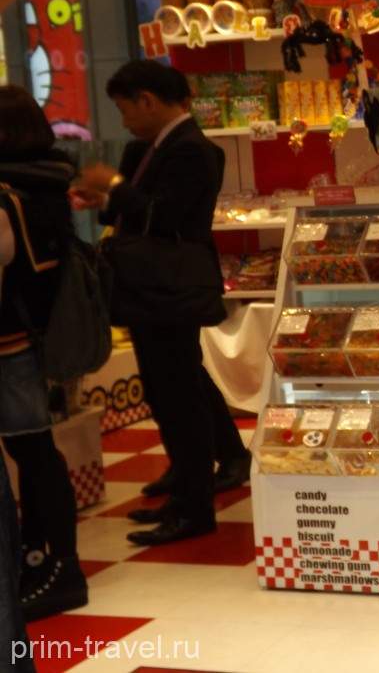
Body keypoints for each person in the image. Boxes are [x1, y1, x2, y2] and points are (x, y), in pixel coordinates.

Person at [72, 60, 249, 546]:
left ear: (147, 100)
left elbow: (164, 218)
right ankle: (185, 488)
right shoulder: (145, 148)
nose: (124, 120)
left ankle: (194, 506)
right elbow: (131, 213)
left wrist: (113, 186)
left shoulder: (194, 150)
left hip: (171, 289)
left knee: (179, 396)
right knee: (164, 391)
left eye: (125, 108)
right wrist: (102, 197)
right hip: (145, 288)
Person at [0, 86, 87, 621]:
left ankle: (56, 567)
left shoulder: (9, 191)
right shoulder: (48, 178)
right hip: (39, 331)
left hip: (11, 340)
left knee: (31, 453)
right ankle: (47, 561)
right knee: (35, 452)